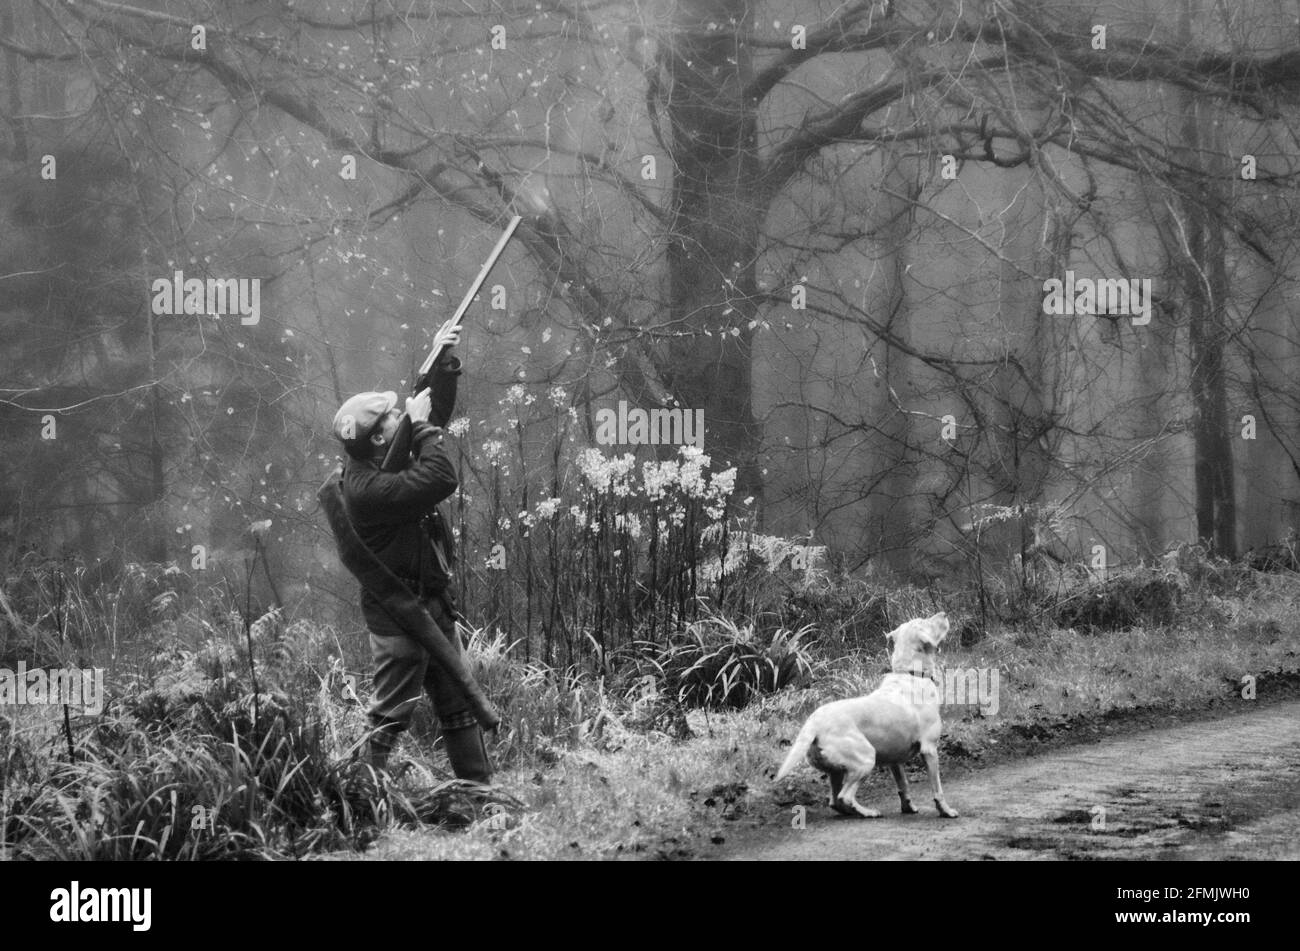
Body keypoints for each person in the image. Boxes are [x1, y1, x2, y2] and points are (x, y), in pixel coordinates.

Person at [329, 320, 491, 782]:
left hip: (431, 605)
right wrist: (419, 427)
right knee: (388, 719)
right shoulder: (365, 489)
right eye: (392, 419)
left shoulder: (376, 458)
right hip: (400, 618)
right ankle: (355, 801)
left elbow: (427, 420)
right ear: (380, 438)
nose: (401, 417)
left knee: (458, 706)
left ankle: (478, 799)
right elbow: (439, 474)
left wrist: (441, 363)